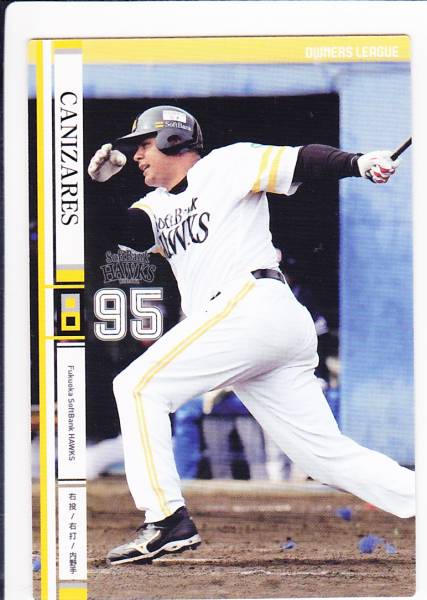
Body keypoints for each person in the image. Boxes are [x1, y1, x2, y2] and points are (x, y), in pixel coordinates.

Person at [88, 105, 414, 566]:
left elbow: (303, 159)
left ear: (170, 140)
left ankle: (165, 518)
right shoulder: (155, 205)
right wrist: (102, 187)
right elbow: (123, 235)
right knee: (323, 457)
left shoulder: (227, 163)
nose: (136, 156)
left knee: (137, 387)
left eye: (142, 145)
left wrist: (358, 162)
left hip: (249, 304)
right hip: (253, 327)